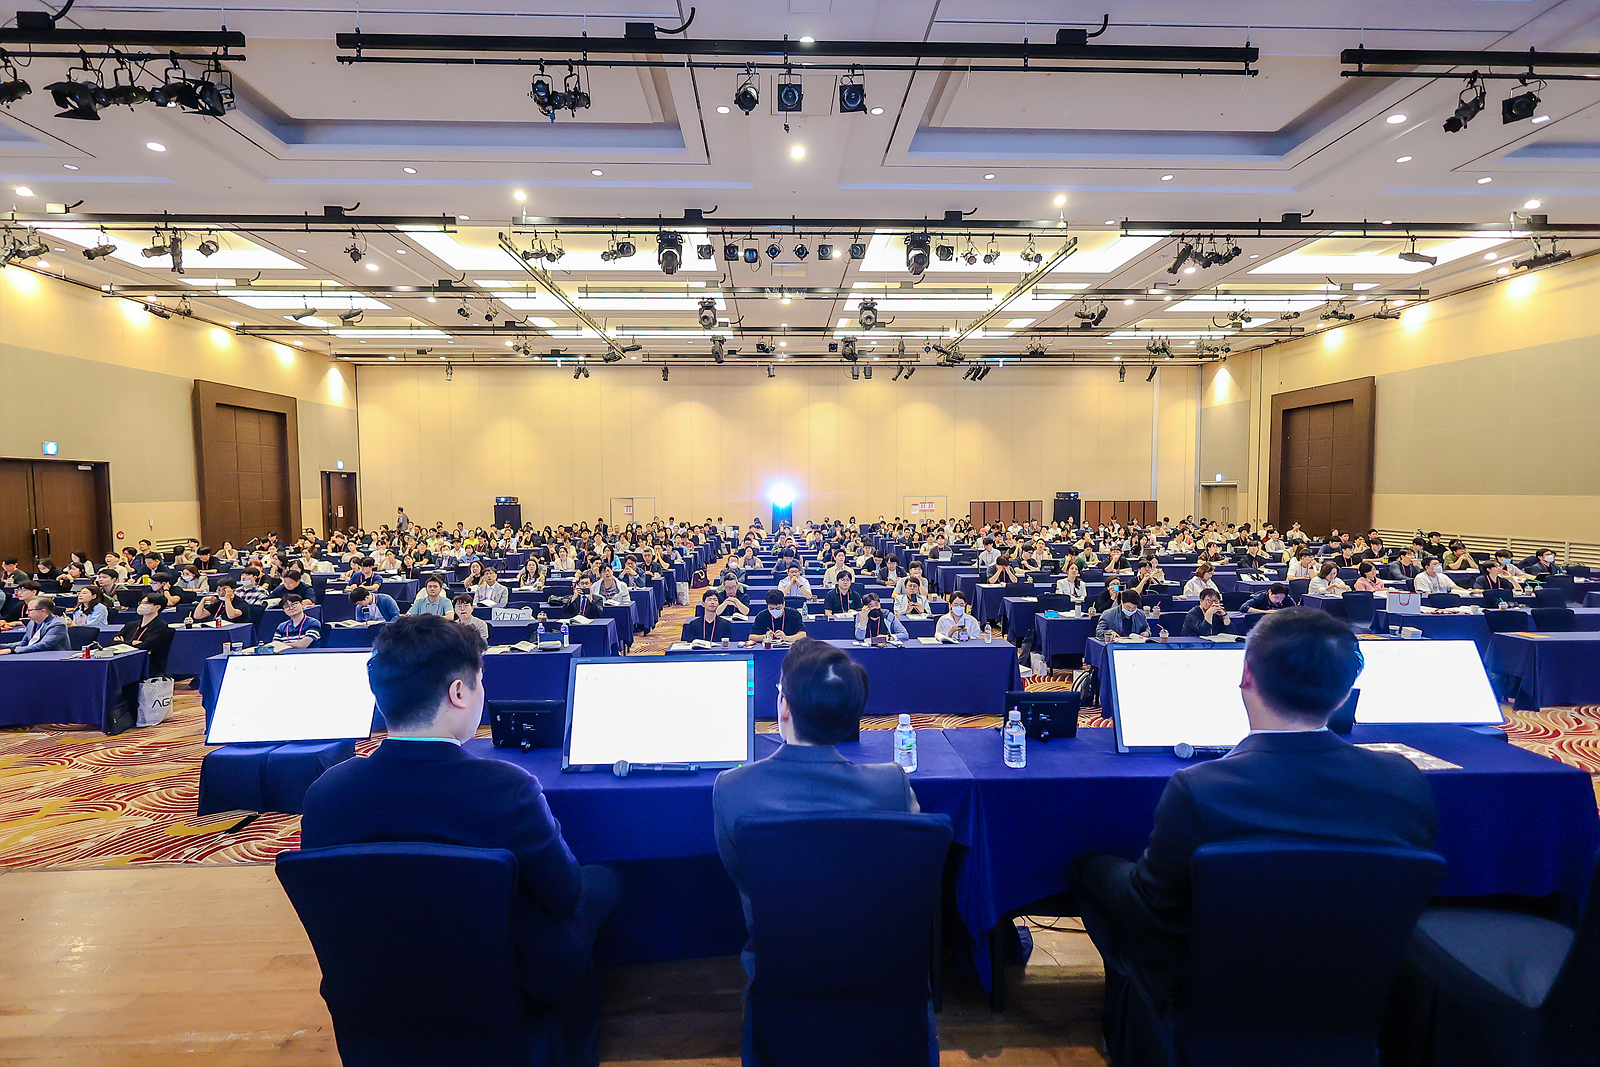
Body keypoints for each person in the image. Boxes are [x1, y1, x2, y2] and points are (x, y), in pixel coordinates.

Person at [1071, 609, 1438, 1067]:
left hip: (1212, 992)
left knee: (1092, 870)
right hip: (1351, 993)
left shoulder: (1199, 788)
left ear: (1246, 675)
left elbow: (1150, 911)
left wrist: (1092, 866)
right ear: (1347, 692)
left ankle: (1133, 1019)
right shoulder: (1405, 780)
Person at [301, 614, 619, 1063]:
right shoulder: (507, 788)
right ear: (458, 692)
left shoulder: (324, 794)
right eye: (480, 682)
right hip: (502, 982)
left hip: (374, 989)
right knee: (604, 880)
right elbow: (564, 895)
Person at [712, 638, 916, 977]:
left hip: (778, 972)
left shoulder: (732, 789)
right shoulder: (892, 786)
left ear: (784, 707)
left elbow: (742, 877)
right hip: (878, 973)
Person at [112, 594, 175, 675]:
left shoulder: (161, 627)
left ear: (157, 607)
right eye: (141, 603)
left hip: (148, 666)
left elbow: (145, 646)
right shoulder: (131, 625)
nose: (142, 605)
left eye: (146, 603)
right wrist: (131, 643)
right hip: (126, 661)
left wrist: (121, 643)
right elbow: (111, 643)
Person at [0, 598, 71, 655]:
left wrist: (12, 650)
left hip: (54, 658)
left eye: (30, 610)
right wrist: (2, 646)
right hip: (34, 654)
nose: (26, 613)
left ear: (43, 611)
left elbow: (44, 645)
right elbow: (24, 643)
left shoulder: (57, 624)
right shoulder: (32, 622)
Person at [1096, 590, 1163, 641]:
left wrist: (1147, 633)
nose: (1130, 610)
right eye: (1128, 607)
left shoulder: (1141, 614)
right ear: (1122, 602)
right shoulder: (1108, 614)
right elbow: (1099, 632)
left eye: (1134, 608)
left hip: (1135, 645)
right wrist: (1109, 632)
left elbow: (1147, 629)